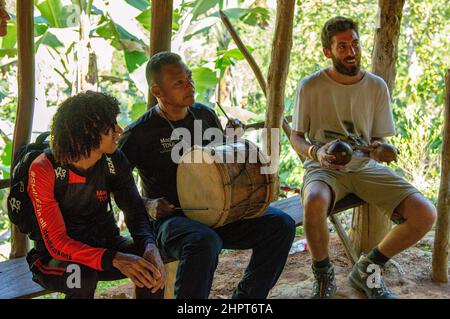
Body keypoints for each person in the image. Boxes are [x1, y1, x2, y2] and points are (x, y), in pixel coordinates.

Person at [119, 51, 296, 299]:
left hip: (218, 212)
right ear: (157, 91)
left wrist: (233, 140)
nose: (189, 85)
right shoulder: (139, 133)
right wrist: (147, 205)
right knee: (203, 241)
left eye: (189, 77)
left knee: (281, 225)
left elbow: (221, 161)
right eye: (178, 82)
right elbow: (115, 184)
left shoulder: (204, 114)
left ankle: (245, 299)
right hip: (171, 221)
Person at [290, 16, 436, 299]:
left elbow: (378, 141)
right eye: (342, 46)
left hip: (364, 167)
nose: (351, 51)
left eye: (354, 43)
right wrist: (315, 151)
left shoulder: (376, 87)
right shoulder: (311, 86)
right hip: (324, 168)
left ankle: (368, 268)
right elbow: (296, 137)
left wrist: (382, 149)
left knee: (425, 213)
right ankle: (322, 273)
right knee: (314, 200)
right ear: (327, 52)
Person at [27, 91, 165, 299]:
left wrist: (149, 246)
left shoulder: (114, 160)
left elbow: (135, 210)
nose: (119, 130)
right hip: (53, 258)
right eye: (111, 125)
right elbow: (57, 244)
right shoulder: (44, 169)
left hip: (104, 244)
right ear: (88, 130)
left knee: (151, 264)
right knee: (82, 275)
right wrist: (114, 258)